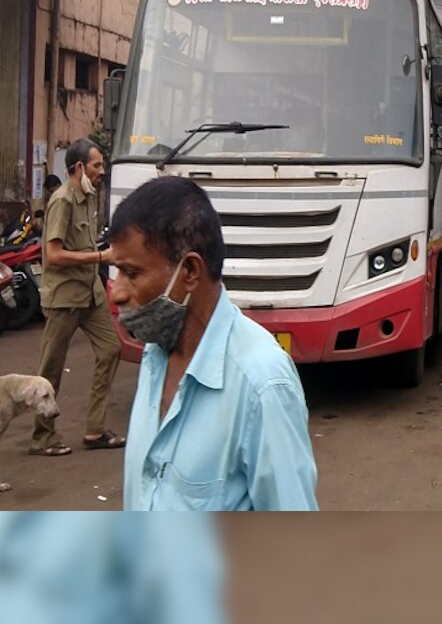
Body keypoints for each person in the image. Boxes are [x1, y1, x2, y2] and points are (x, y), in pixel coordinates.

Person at [110, 176, 318, 510]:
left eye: (131, 274)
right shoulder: (155, 354)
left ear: (190, 271)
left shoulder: (261, 384)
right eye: (116, 272)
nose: (117, 292)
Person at [29, 139, 123, 457]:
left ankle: (94, 429)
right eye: (97, 165)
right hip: (65, 298)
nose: (102, 171)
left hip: (90, 295)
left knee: (111, 350)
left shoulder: (89, 197)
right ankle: (43, 437)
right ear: (80, 167)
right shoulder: (62, 200)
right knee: (51, 369)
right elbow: (53, 255)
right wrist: (99, 258)